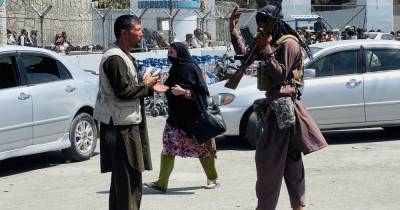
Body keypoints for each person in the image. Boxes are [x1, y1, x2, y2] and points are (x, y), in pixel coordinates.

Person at [230, 5, 328, 210]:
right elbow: (245, 57)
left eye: (263, 23)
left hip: (283, 110)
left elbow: (280, 75)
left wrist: (266, 49)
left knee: (268, 161)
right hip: (278, 109)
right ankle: (297, 205)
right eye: (259, 24)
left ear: (275, 24)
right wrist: (234, 31)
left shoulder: (289, 44)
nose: (260, 27)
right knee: (291, 162)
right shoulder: (272, 43)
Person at [93, 15, 169, 210]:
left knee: (127, 177)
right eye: (138, 29)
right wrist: (148, 87)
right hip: (120, 127)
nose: (142, 33)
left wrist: (145, 83)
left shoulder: (124, 55)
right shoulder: (115, 58)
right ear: (124, 33)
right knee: (127, 179)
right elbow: (123, 91)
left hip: (126, 123)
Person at [144, 42, 219, 193]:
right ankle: (161, 183)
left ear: (180, 53)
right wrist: (158, 87)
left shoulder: (191, 68)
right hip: (175, 118)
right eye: (169, 52)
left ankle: (213, 178)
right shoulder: (175, 69)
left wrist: (185, 92)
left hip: (192, 120)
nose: (169, 55)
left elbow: (202, 92)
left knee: (202, 149)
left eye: (172, 52)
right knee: (168, 149)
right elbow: (170, 89)